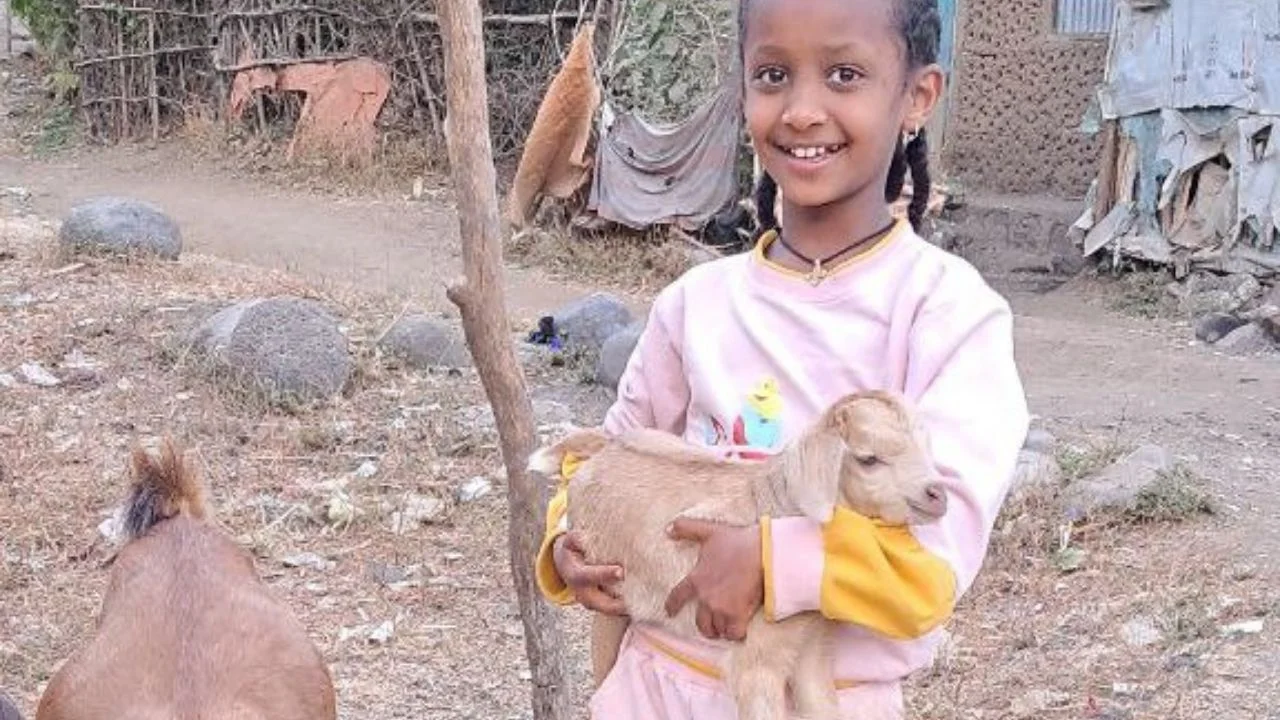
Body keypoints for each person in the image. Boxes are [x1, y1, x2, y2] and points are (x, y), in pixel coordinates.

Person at [533, 0, 1031, 716]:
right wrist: (566, 546)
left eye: (844, 74)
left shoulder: (947, 313)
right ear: (743, 96)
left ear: (917, 97)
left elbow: (933, 563)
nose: (802, 109)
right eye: (772, 75)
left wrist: (771, 560)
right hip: (654, 690)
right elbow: (614, 456)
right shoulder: (697, 304)